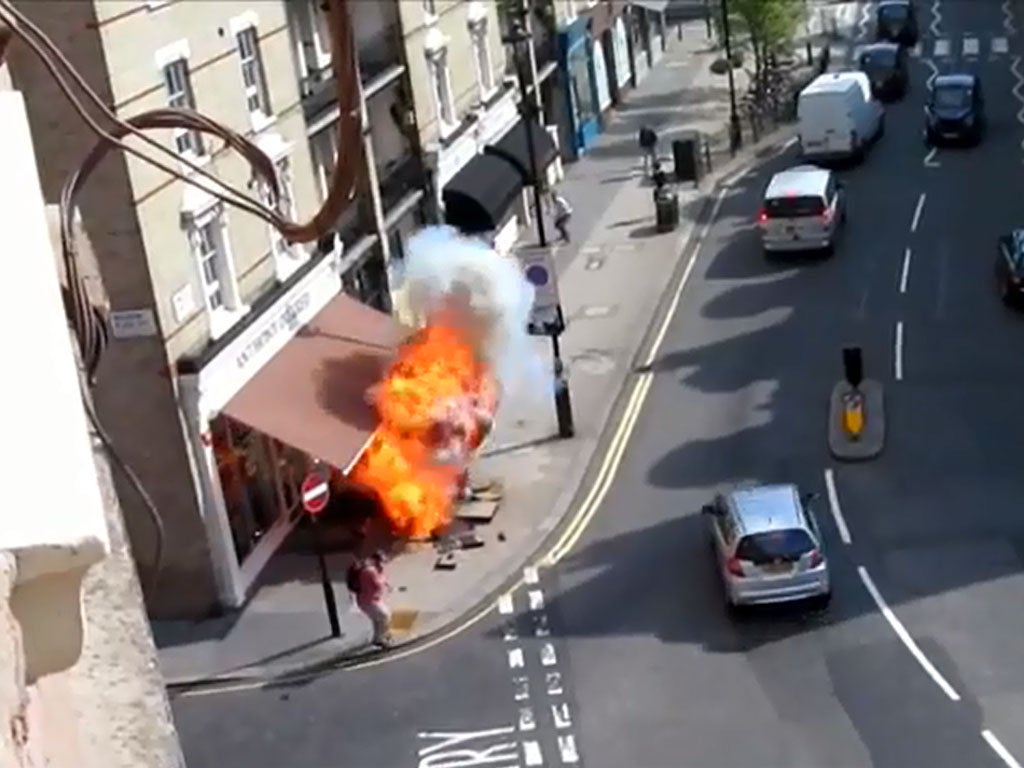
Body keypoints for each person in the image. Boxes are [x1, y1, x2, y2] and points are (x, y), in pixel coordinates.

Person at [349, 552, 392, 647]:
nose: (383, 564)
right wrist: (382, 576)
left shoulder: (369, 569)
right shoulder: (370, 571)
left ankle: (378, 637)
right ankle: (380, 639)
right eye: (382, 562)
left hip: (368, 600)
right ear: (377, 561)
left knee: (378, 619)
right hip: (369, 602)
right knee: (384, 616)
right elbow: (378, 585)